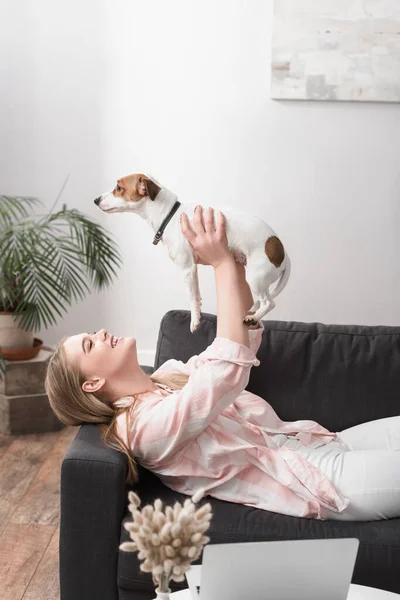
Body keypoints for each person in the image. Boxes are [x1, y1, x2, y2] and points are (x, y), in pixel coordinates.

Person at [45, 206, 400, 521]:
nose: (102, 331)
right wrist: (220, 265)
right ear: (91, 384)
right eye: (90, 343)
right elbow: (228, 372)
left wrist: (236, 262)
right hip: (321, 479)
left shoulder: (168, 375)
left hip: (320, 441)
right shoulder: (144, 431)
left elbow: (235, 343)